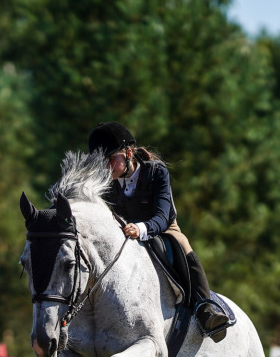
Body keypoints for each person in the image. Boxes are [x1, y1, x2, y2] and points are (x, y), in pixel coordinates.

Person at [88, 121, 229, 342]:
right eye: (101, 162)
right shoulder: (106, 181)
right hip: (122, 234)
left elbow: (163, 217)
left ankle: (205, 307)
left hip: (161, 229)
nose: (106, 168)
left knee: (181, 244)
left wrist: (141, 229)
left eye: (110, 159)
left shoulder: (156, 172)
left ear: (129, 152)